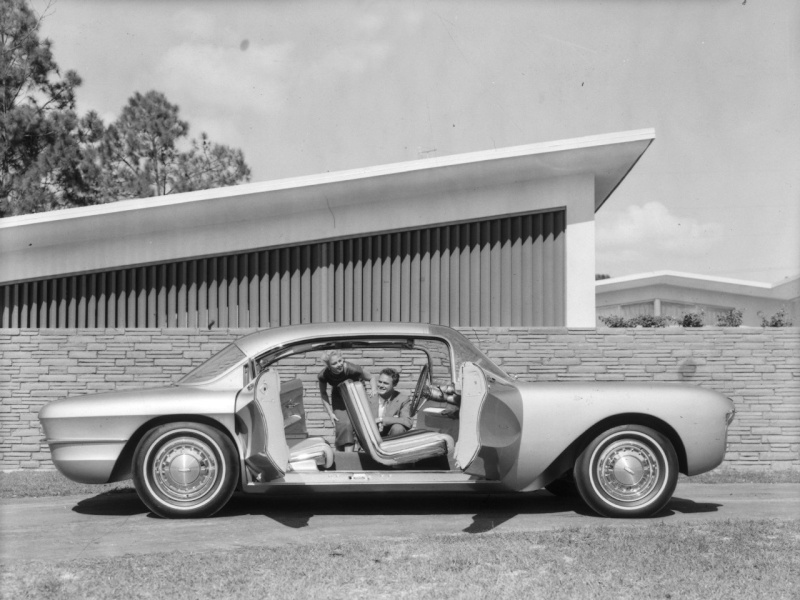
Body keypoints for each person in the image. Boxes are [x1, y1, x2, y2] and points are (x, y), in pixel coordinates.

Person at [318, 350, 376, 452]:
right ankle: (346, 457)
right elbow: (323, 393)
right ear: (328, 365)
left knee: (362, 425)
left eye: (340, 361)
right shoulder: (323, 375)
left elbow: (371, 377)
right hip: (339, 395)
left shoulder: (352, 369)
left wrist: (373, 390)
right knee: (344, 424)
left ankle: (367, 452)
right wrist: (330, 413)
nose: (339, 365)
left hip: (356, 394)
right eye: (334, 363)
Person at [372, 367, 413, 438]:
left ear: (394, 385)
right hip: (371, 436)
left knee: (398, 427)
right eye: (379, 382)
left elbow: (408, 422)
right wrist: (396, 419)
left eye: (385, 383)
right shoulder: (369, 397)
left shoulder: (402, 399)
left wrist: (382, 419)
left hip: (391, 437)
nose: (381, 386)